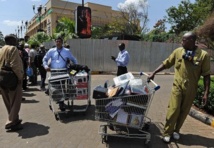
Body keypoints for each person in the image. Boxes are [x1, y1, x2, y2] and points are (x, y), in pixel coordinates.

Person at [148, 32, 210, 143]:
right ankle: (167, 132)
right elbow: (166, 63)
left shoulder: (203, 55)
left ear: (191, 41)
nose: (181, 42)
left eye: (184, 40)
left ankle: (176, 130)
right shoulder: (178, 52)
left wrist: (206, 93)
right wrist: (154, 72)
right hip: (178, 85)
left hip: (191, 88)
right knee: (173, 109)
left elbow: (206, 75)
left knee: (184, 111)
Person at [43, 37, 77, 111]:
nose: (58, 43)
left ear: (62, 43)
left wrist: (76, 67)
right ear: (55, 42)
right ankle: (59, 100)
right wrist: (45, 66)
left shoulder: (66, 51)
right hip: (54, 72)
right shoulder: (51, 51)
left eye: (59, 41)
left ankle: (61, 102)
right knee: (56, 87)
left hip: (63, 72)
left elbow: (74, 59)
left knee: (62, 87)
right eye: (57, 41)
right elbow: (45, 59)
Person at [0, 34, 24, 130]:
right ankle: (11, 122)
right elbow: (15, 66)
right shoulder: (13, 49)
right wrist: (19, 78)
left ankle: (15, 119)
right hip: (12, 79)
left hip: (1, 78)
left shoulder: (1, 49)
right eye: (15, 40)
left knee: (8, 102)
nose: (16, 42)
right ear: (11, 41)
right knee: (16, 101)